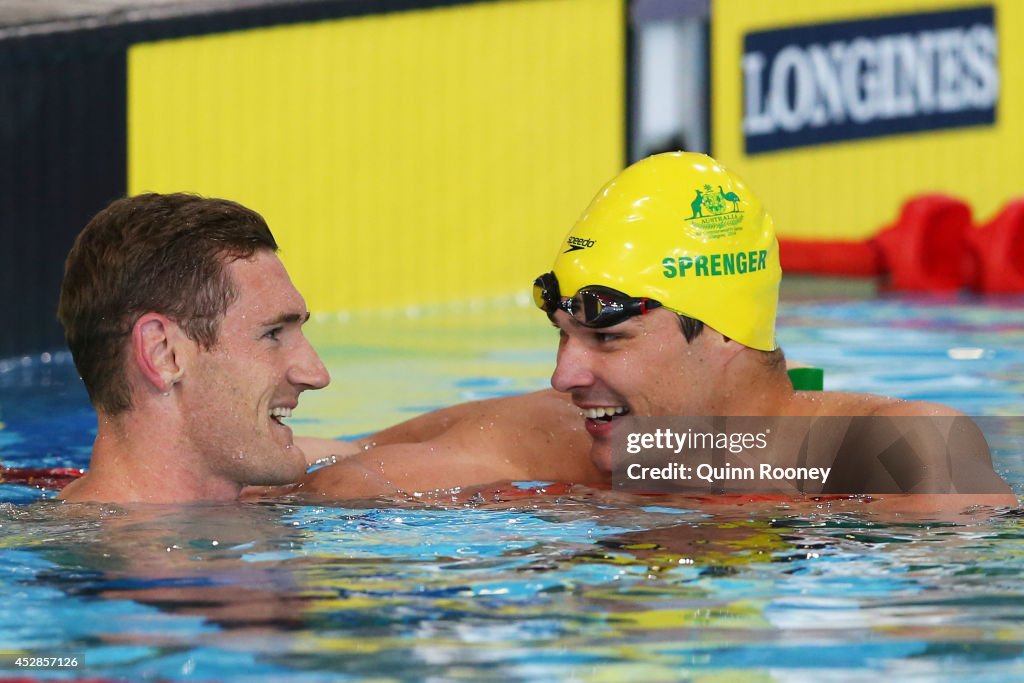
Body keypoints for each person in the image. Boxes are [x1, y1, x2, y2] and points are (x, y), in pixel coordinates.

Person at [297, 153, 1015, 511]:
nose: (563, 376)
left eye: (608, 339)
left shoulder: (899, 454)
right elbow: (318, 473)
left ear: (727, 333)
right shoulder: (550, 437)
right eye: (563, 335)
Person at [57, 193, 330, 503]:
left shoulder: (242, 494)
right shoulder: (103, 546)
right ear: (163, 354)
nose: (317, 374)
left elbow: (363, 449)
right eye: (273, 334)